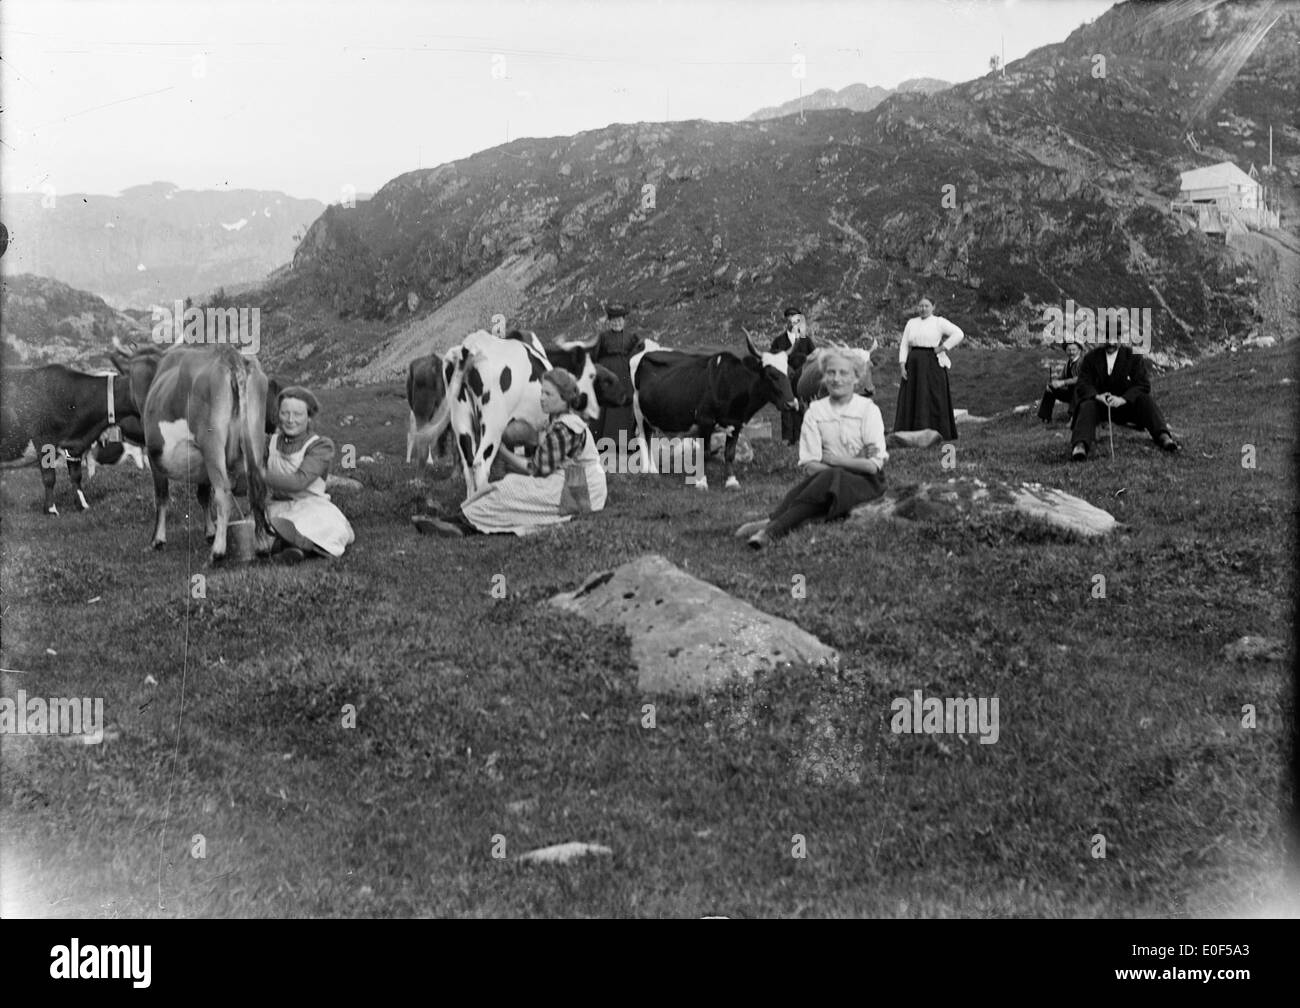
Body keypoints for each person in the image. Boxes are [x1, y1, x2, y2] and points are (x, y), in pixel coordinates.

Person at [412, 369, 607, 536]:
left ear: (565, 398)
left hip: (581, 491)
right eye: (542, 392)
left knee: (510, 488)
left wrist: (502, 451)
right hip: (573, 481)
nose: (542, 398)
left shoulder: (566, 428)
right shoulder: (559, 421)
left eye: (549, 394)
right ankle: (456, 519)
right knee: (505, 485)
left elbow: (534, 468)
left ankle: (463, 526)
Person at [736, 349, 887, 550]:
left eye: (844, 373)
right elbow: (810, 466)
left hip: (868, 484)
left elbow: (873, 467)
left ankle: (771, 530)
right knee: (819, 481)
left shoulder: (869, 411)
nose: (836, 379)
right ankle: (775, 520)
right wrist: (851, 462)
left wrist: (834, 461)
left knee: (828, 477)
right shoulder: (816, 412)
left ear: (856, 378)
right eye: (831, 373)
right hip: (828, 479)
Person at [264, 386, 355, 564]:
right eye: (285, 413)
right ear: (278, 414)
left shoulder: (320, 446)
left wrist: (259, 474)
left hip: (311, 506)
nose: (290, 420)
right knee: (258, 527)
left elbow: (299, 482)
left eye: (297, 414)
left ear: (309, 416)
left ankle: (294, 547)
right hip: (276, 506)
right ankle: (296, 548)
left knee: (321, 524)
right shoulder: (269, 442)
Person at [1069, 339, 1180, 461]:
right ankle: (1080, 445)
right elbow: (1083, 384)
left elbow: (1143, 384)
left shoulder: (1133, 356)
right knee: (1087, 405)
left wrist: (1123, 399)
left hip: (1126, 406)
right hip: (1101, 406)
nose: (1111, 343)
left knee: (1145, 399)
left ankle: (1163, 436)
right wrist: (1097, 396)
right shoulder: (1091, 357)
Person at [894, 295, 964, 441]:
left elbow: (959, 333)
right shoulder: (911, 323)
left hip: (932, 362)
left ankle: (938, 432)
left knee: (932, 396)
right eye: (921, 306)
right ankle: (911, 432)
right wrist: (902, 365)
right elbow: (904, 345)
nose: (923, 309)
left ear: (933, 307)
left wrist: (943, 348)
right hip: (913, 363)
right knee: (913, 396)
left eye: (926, 306)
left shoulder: (939, 322)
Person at [592, 303, 644, 446]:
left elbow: (639, 348)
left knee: (623, 405)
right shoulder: (602, 337)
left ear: (624, 321)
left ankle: (624, 442)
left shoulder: (631, 336)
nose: (617, 323)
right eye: (614, 321)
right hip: (606, 375)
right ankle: (601, 441)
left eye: (619, 320)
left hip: (625, 375)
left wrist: (629, 359)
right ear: (609, 321)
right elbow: (595, 355)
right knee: (604, 404)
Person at [771, 306, 816, 444]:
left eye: (795, 317)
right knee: (787, 406)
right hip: (786, 379)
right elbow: (773, 357)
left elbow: (814, 357)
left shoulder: (806, 340)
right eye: (789, 317)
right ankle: (786, 438)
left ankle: (799, 437)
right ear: (786, 320)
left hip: (802, 380)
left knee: (801, 406)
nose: (792, 320)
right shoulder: (779, 341)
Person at [1038, 340, 1083, 424]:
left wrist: (1063, 383)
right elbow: (1060, 377)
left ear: (1079, 351)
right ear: (1066, 351)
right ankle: (1045, 417)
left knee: (1078, 387)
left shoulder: (1082, 362)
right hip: (1071, 394)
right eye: (1069, 350)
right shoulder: (1068, 364)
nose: (1071, 352)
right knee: (1050, 390)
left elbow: (1081, 378)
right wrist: (1052, 384)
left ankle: (1073, 417)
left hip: (1083, 394)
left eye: (1074, 350)